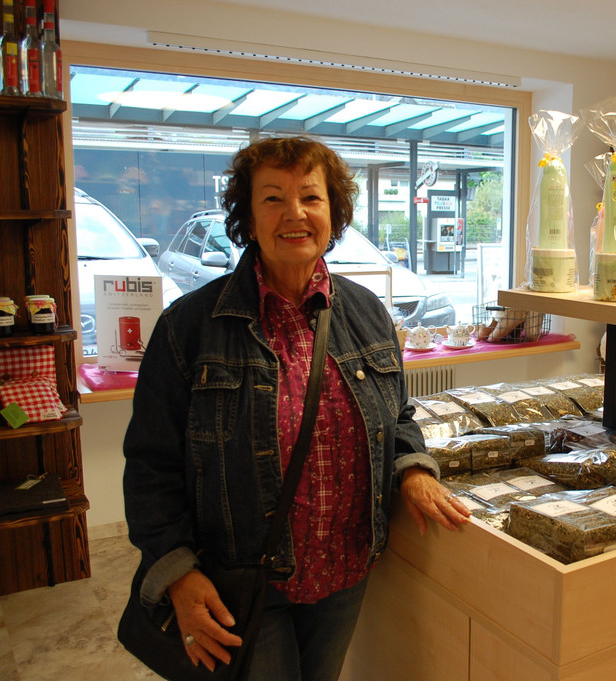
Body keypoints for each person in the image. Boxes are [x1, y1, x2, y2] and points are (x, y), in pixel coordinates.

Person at [122, 135, 471, 681]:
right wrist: (177, 573)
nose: (295, 214)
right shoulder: (188, 328)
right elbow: (150, 466)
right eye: (272, 198)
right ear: (247, 215)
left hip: (345, 570)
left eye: (310, 197)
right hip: (242, 581)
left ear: (333, 211)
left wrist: (412, 470)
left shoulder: (367, 313)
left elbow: (397, 415)